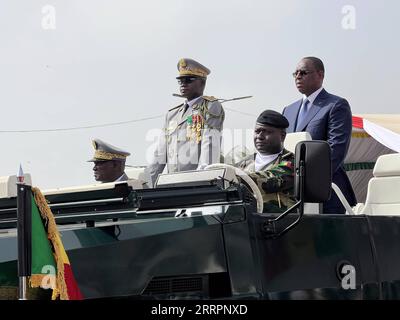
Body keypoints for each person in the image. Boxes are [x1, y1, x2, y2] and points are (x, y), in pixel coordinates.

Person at [282, 57, 356, 214]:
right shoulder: (288, 110)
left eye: (303, 72)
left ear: (320, 75)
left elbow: (336, 149)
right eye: (295, 73)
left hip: (326, 192)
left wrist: (307, 180)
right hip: (292, 194)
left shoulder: (336, 105)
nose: (298, 76)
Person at [145, 58, 225, 187]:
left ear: (202, 83)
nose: (183, 84)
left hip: (196, 184)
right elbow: (160, 153)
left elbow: (209, 146)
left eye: (189, 80)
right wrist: (148, 186)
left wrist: (203, 180)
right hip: (172, 183)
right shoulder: (172, 115)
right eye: (180, 81)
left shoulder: (210, 106)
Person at [236, 110, 296, 213]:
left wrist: (234, 179)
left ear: (282, 136)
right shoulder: (244, 163)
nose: (260, 136)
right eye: (257, 131)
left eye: (267, 132)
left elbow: (270, 180)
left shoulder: (291, 161)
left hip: (280, 221)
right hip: (247, 220)